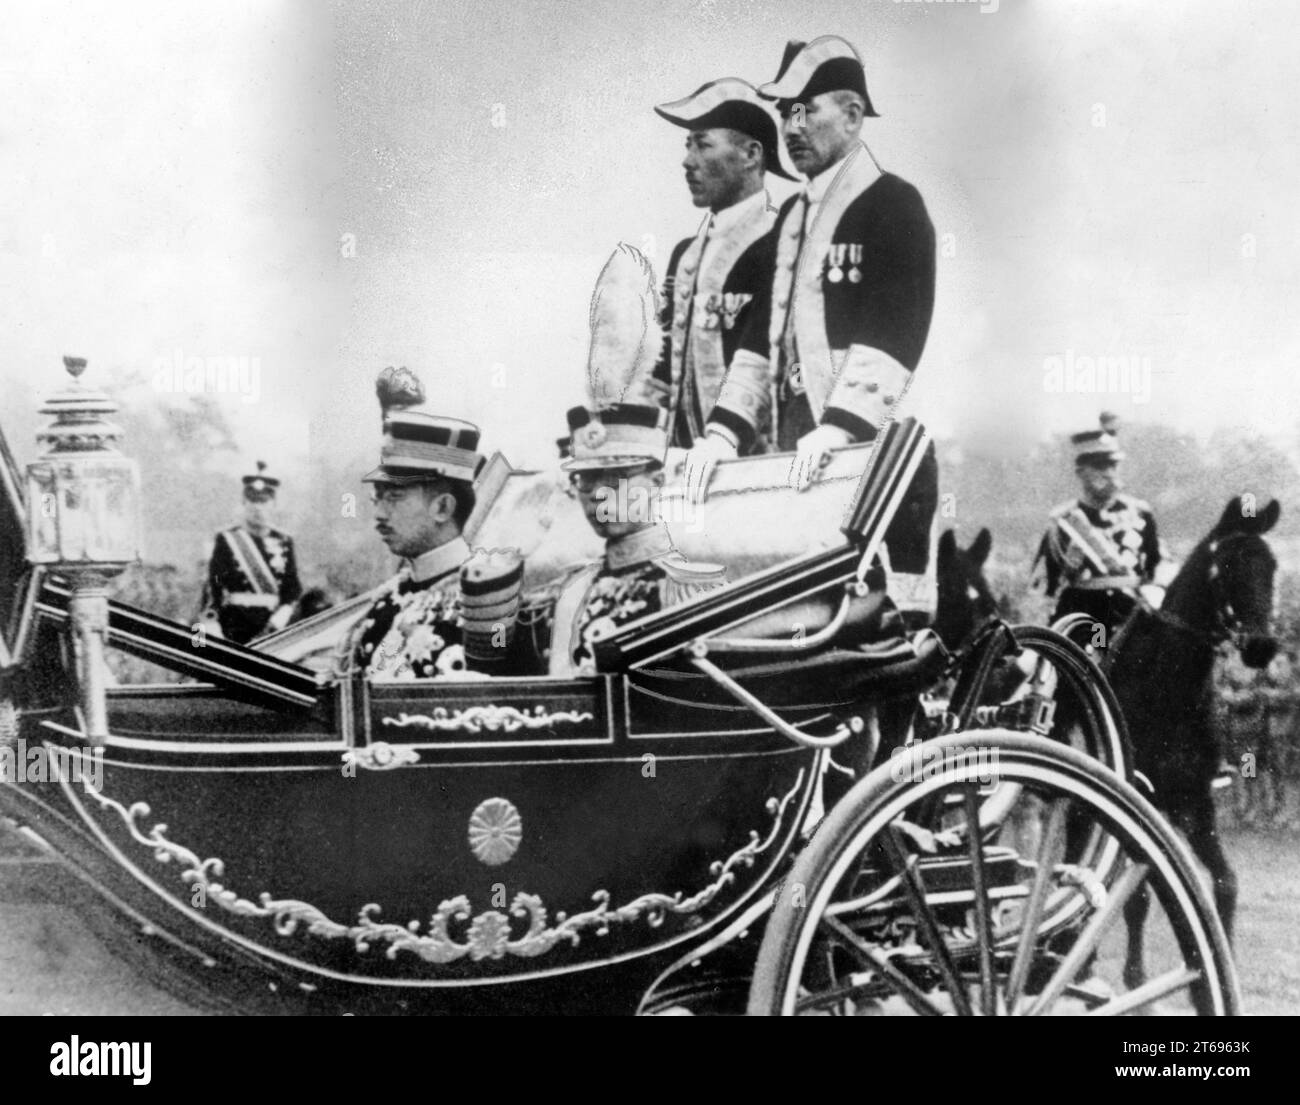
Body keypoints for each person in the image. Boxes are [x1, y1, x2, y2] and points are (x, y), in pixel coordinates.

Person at [683, 35, 939, 626]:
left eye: (806, 110)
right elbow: (756, 344)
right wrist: (723, 432)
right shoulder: (791, 221)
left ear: (852, 116)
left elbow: (899, 330)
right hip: (796, 465)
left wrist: (840, 427)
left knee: (882, 636)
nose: (791, 127)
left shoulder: (894, 205)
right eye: (783, 113)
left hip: (878, 458)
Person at [347, 370, 524, 680]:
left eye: (395, 497)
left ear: (443, 507)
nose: (379, 514)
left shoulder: (490, 602)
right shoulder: (386, 602)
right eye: (379, 498)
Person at [650, 78, 791, 454]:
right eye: (688, 145)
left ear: (751, 154)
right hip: (686, 467)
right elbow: (668, 368)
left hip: (762, 466)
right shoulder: (686, 254)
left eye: (703, 144)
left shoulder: (782, 242)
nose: (687, 160)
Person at [546, 403, 726, 677]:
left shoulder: (690, 587)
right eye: (586, 478)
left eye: (616, 477)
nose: (596, 493)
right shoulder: (575, 591)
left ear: (657, 482)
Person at [1034, 420, 1160, 645]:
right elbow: (1045, 589)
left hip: (1133, 618)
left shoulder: (1141, 514)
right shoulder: (1062, 522)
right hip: (1082, 621)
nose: (1108, 473)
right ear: (1081, 472)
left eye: (1113, 465)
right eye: (1100, 466)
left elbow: (1157, 568)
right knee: (1027, 669)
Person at [200, 462, 302, 645]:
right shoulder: (227, 540)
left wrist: (282, 617)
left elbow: (292, 590)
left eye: (263, 501)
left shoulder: (284, 541)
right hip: (233, 627)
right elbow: (213, 587)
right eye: (252, 501)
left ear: (274, 504)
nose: (257, 507)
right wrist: (211, 624)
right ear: (244, 503)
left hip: (272, 630)